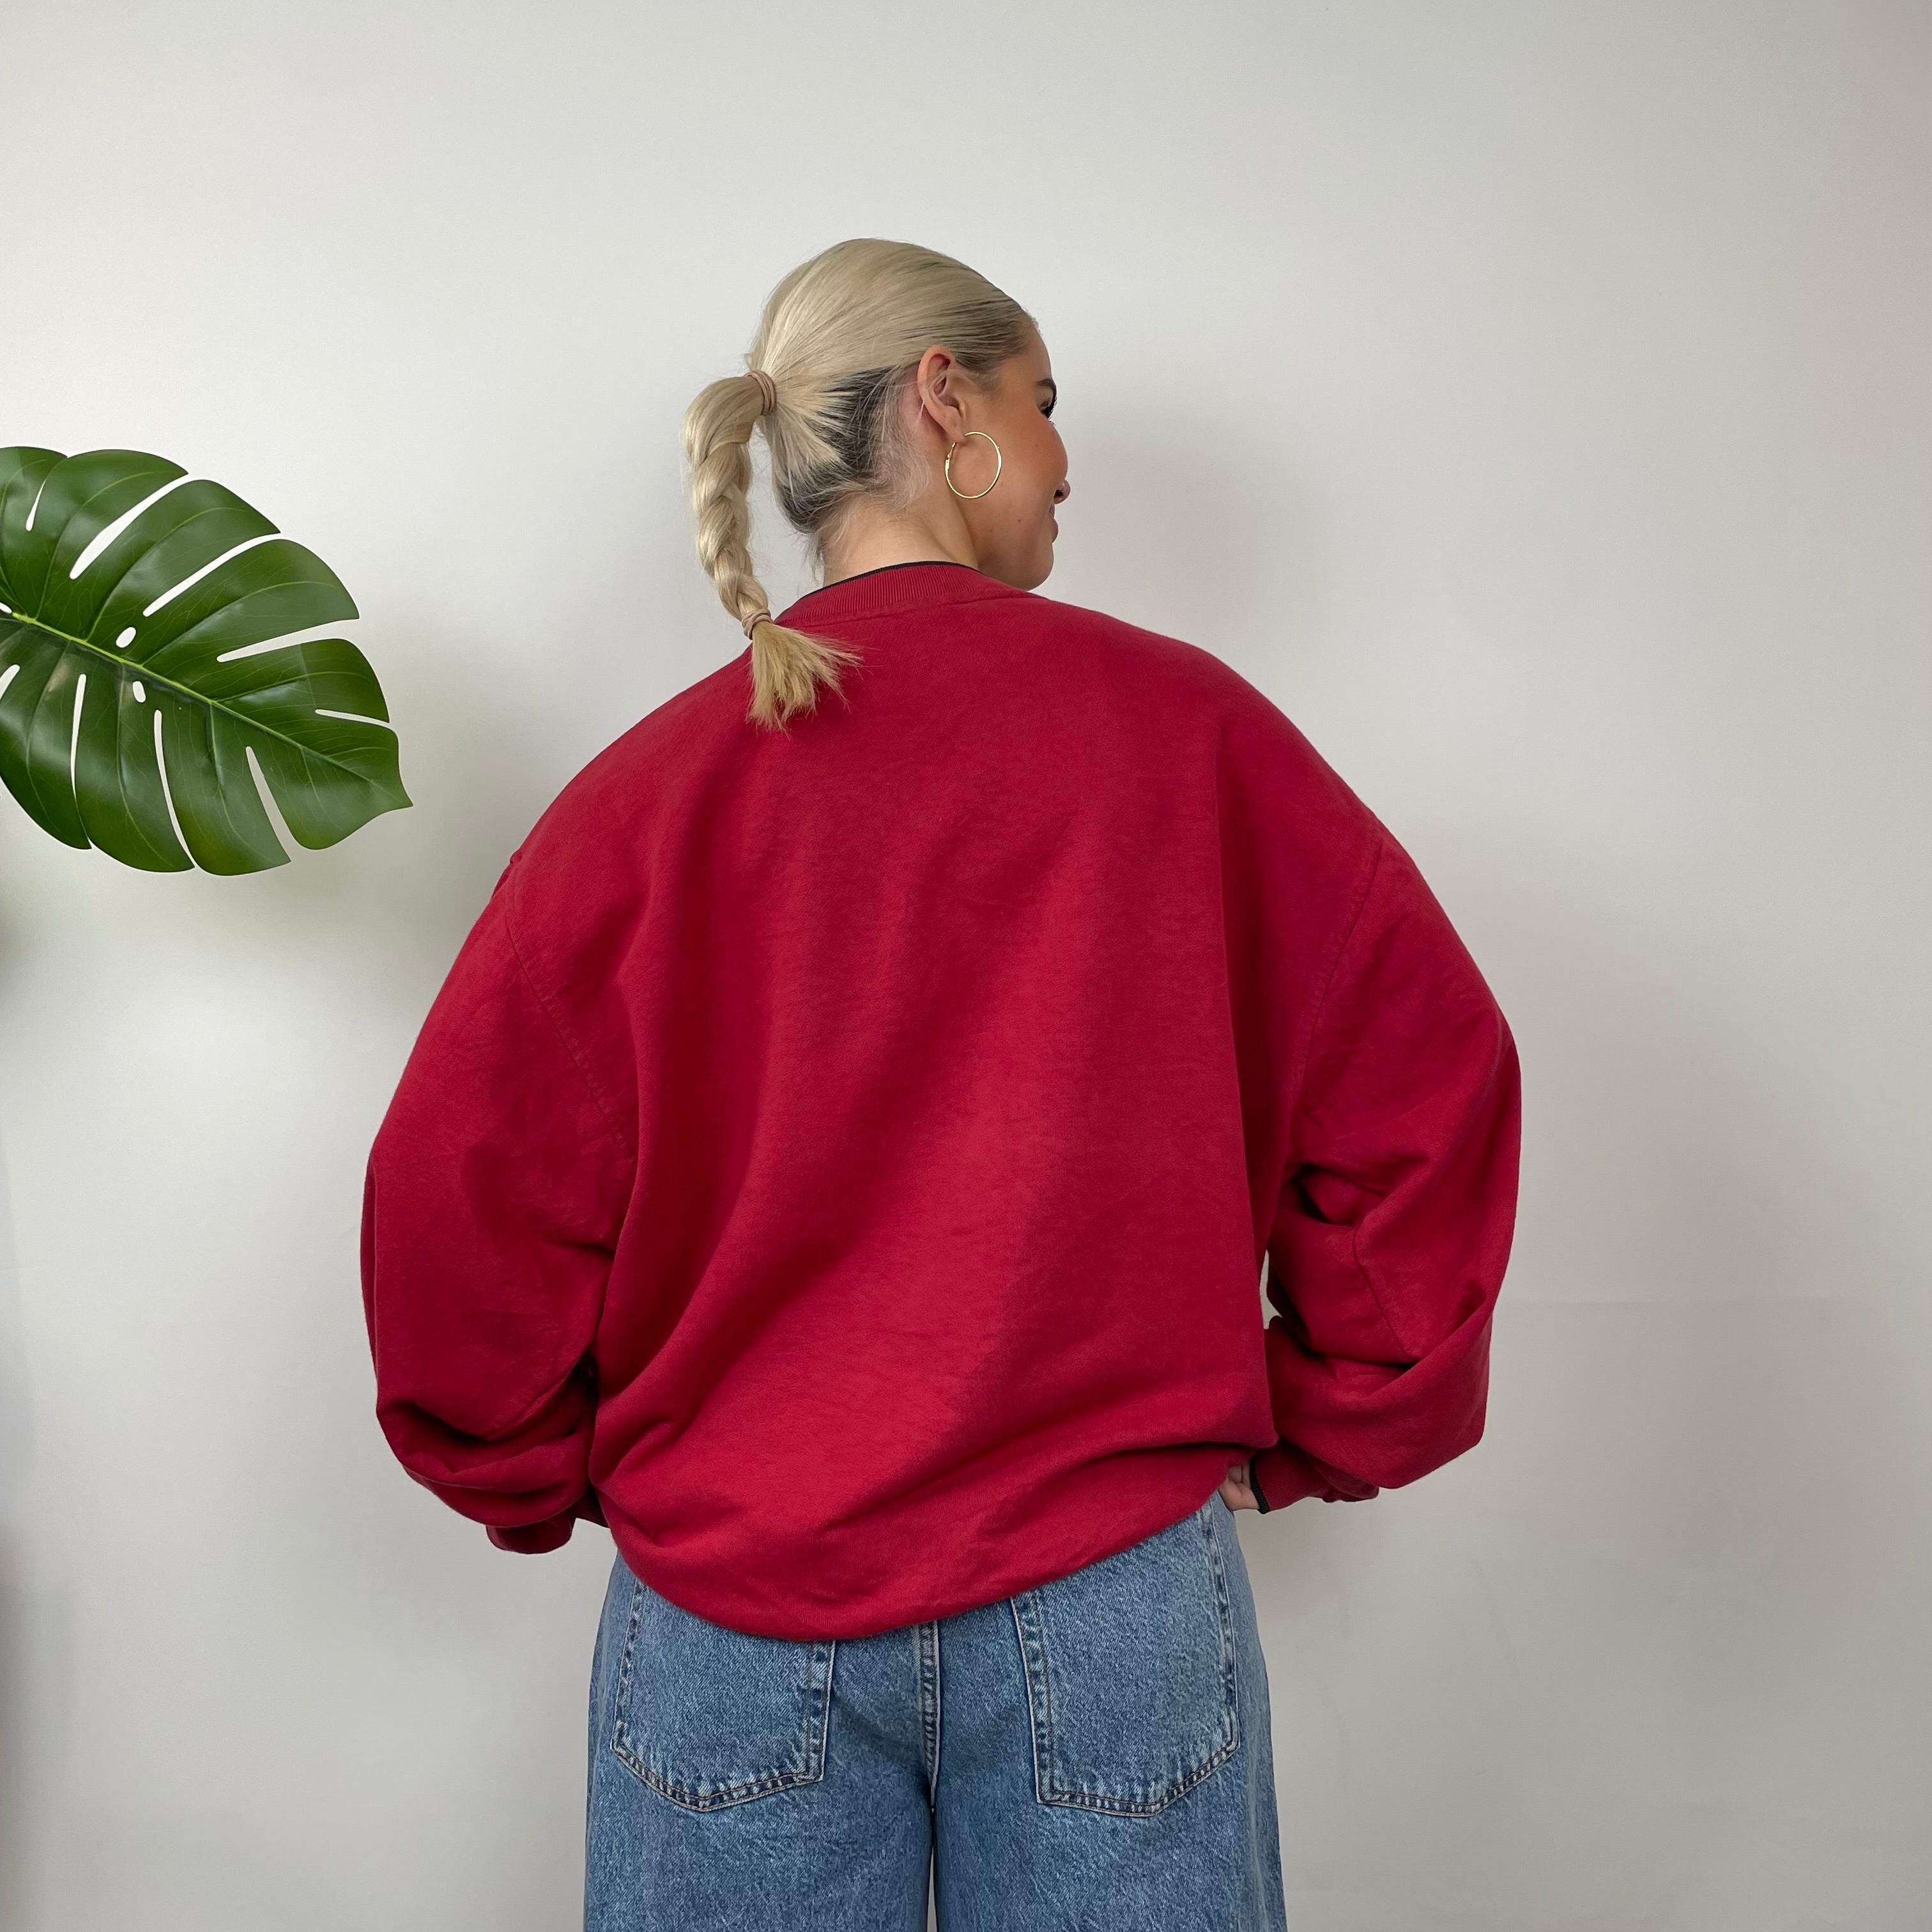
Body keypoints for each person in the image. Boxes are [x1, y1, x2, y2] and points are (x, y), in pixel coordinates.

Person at [360, 237, 1523, 1932]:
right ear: (945, 403)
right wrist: (1324, 1419)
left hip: (732, 1611)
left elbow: (459, 1203)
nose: (1068, 463)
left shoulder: (647, 800)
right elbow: (1428, 1087)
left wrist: (557, 1467)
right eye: (1047, 408)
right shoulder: (1188, 739)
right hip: (1112, 1594)